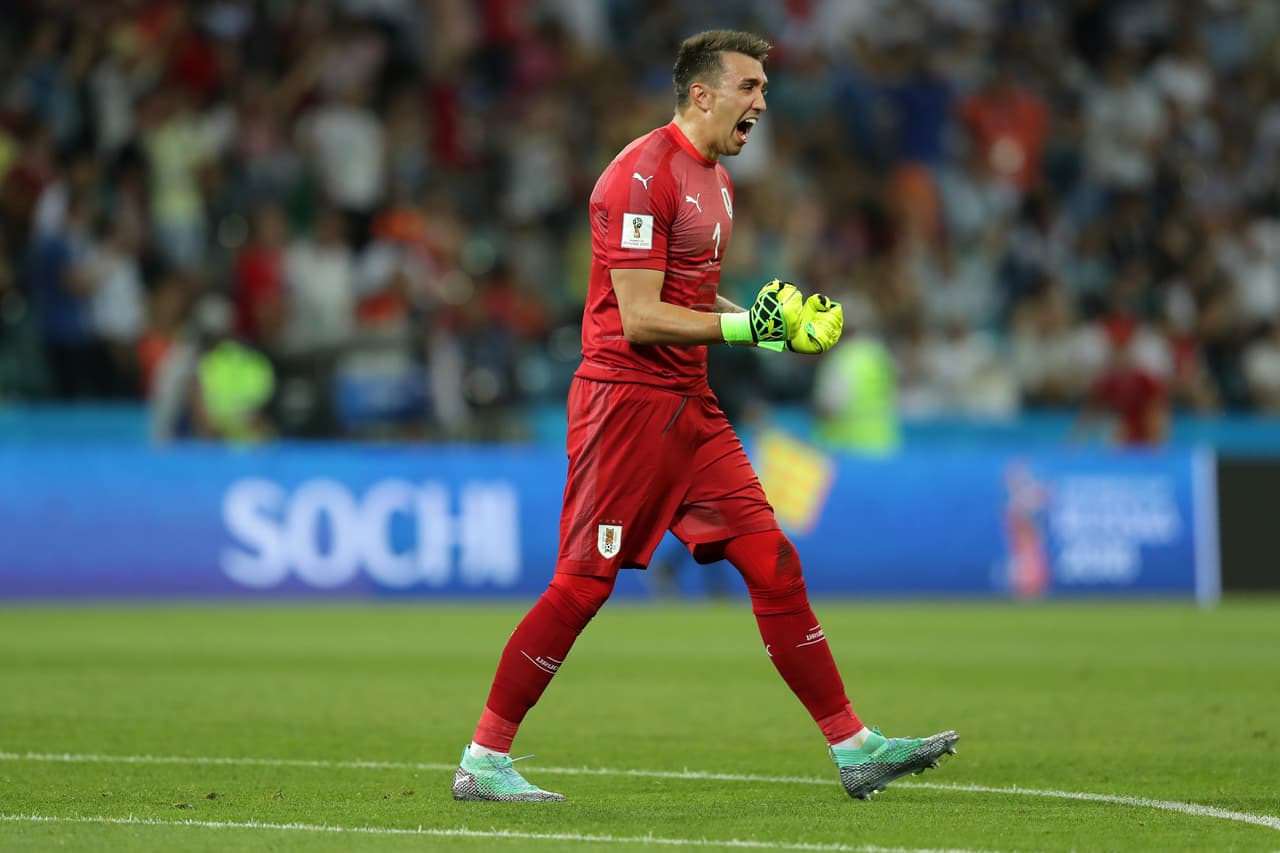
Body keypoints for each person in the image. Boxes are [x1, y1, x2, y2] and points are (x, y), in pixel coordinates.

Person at [452, 30, 957, 804]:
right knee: (583, 585)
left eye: (763, 88)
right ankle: (484, 758)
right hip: (623, 402)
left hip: (690, 405)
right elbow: (641, 316)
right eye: (749, 86)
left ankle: (854, 746)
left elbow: (689, 299)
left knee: (772, 559)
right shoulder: (638, 175)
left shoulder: (716, 181)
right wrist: (745, 326)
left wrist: (772, 319)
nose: (761, 101)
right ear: (701, 93)